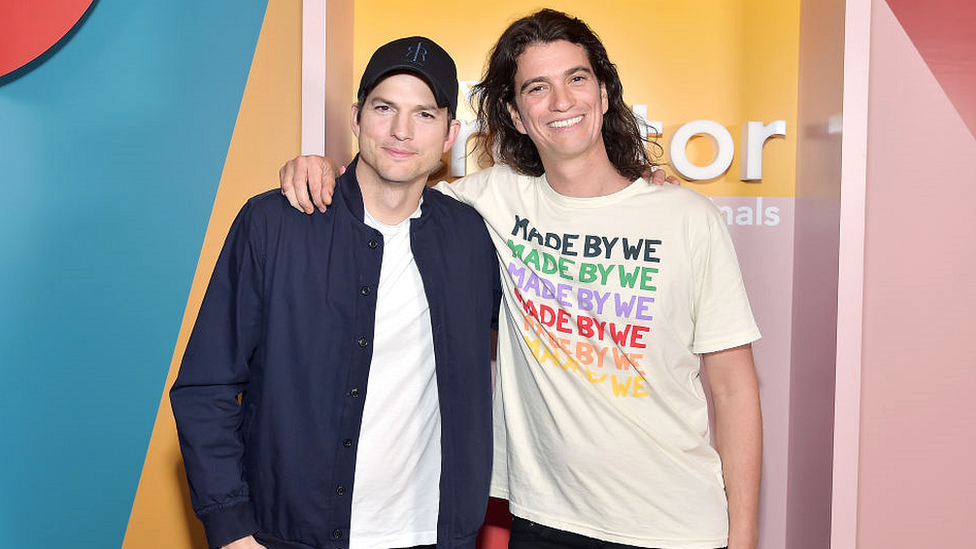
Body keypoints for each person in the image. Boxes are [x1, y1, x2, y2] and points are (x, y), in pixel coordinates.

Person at [279, 10, 762, 549]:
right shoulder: (491, 200)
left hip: (674, 526)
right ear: (514, 112)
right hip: (542, 520)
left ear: (603, 93)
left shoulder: (687, 218)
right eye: (538, 87)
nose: (561, 101)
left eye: (576, 78)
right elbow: (391, 184)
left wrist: (742, 538)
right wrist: (319, 166)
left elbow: (734, 388)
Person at [171, 36, 500, 549]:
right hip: (290, 536)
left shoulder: (473, 239)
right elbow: (206, 387)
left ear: (450, 133)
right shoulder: (274, 223)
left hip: (433, 536)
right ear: (356, 116)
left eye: (425, 115)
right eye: (384, 108)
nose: (401, 131)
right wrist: (232, 529)